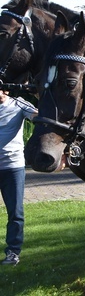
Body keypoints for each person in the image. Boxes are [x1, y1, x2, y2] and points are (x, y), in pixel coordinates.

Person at [0, 90, 37, 266]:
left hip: (12, 167)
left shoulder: (19, 104)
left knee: (15, 212)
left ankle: (13, 252)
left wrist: (40, 95)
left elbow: (39, 117)